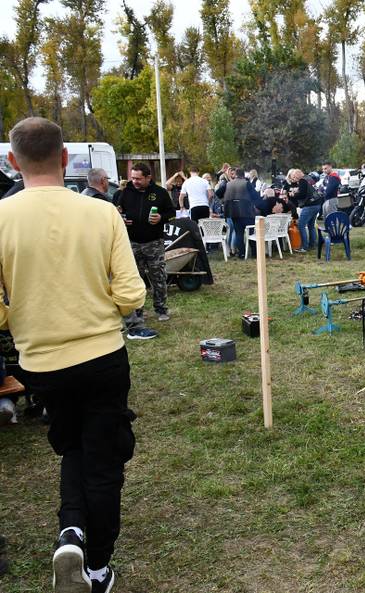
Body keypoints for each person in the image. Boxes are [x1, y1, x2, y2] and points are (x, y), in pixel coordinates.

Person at [0, 116, 146, 593]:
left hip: (40, 363)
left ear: (12, 161)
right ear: (65, 159)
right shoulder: (100, 212)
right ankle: (97, 566)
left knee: (73, 446)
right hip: (101, 353)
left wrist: (20, 314)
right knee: (102, 458)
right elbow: (132, 296)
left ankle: (71, 531)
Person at [113, 162, 176, 336]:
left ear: (149, 177)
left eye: (138, 178)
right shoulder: (124, 192)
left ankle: (161, 309)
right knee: (135, 279)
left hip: (154, 243)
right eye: (132, 178)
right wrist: (121, 219)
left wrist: (161, 218)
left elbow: (172, 213)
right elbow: (116, 211)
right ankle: (138, 311)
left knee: (158, 276)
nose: (135, 181)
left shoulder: (160, 193)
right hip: (132, 243)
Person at [222, 167, 259, 257]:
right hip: (246, 211)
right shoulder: (246, 183)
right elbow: (255, 196)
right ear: (243, 175)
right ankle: (254, 253)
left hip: (233, 212)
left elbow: (218, 193)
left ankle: (242, 254)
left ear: (235, 174)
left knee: (239, 233)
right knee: (250, 232)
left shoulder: (228, 184)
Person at [297, 170, 325, 253]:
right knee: (311, 225)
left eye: (294, 176)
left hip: (310, 205)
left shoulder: (302, 180)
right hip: (317, 203)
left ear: (299, 174)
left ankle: (304, 247)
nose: (294, 179)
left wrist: (294, 194)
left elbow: (302, 194)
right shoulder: (309, 179)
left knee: (301, 225)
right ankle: (313, 244)